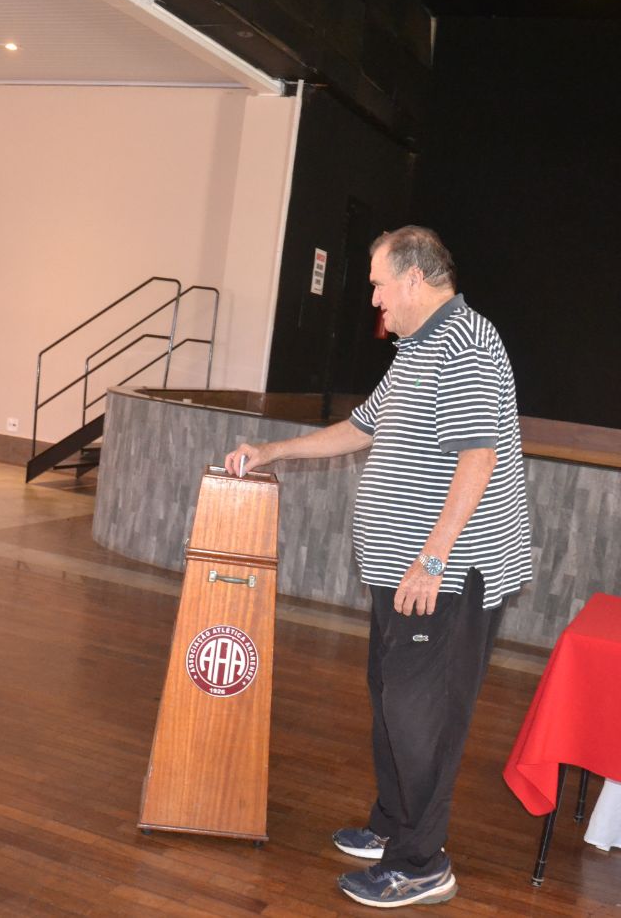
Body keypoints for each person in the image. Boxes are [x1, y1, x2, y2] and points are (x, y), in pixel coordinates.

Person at [224, 225, 532, 909]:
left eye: (378, 284)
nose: (374, 299)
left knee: (422, 717)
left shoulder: (466, 342)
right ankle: (392, 824)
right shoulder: (417, 347)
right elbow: (361, 427)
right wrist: (273, 451)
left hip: (444, 578)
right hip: (402, 576)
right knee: (393, 701)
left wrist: (432, 560)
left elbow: (478, 458)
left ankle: (422, 862)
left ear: (414, 279)